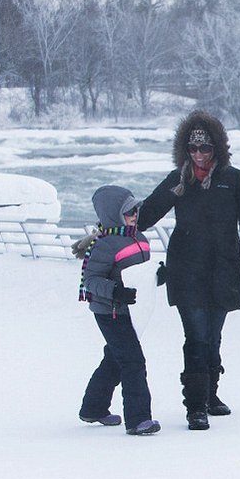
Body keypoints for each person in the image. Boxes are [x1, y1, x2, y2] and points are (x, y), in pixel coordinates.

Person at [138, 110, 240, 431]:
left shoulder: (234, 180)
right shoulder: (179, 181)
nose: (198, 154)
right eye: (193, 149)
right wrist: (105, 232)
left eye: (205, 148)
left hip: (223, 271)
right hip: (187, 270)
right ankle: (195, 407)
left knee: (214, 335)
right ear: (185, 149)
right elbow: (146, 213)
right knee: (196, 336)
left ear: (217, 149)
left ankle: (211, 395)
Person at [77, 185, 160, 436]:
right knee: (133, 361)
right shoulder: (104, 245)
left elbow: (141, 274)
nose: (135, 215)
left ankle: (93, 408)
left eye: (136, 209)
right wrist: (115, 291)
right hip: (110, 312)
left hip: (132, 311)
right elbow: (91, 280)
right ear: (113, 213)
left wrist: (159, 276)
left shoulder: (140, 238)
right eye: (128, 211)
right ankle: (138, 419)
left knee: (115, 358)